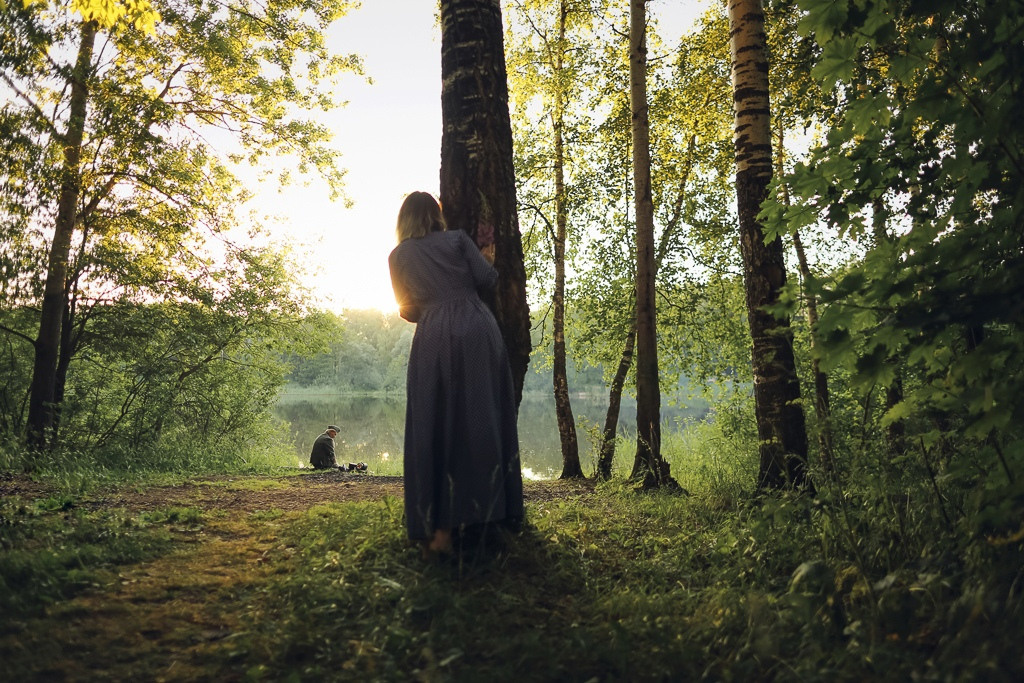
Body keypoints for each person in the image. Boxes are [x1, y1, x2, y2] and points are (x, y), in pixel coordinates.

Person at [388, 191, 523, 557]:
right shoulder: (457, 239)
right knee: (483, 418)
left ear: (403, 220)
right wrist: (487, 256)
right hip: (477, 329)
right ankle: (491, 514)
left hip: (433, 335)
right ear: (436, 215)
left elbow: (408, 310)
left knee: (434, 421)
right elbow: (488, 279)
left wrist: (434, 307)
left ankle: (439, 528)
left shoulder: (397, 256)